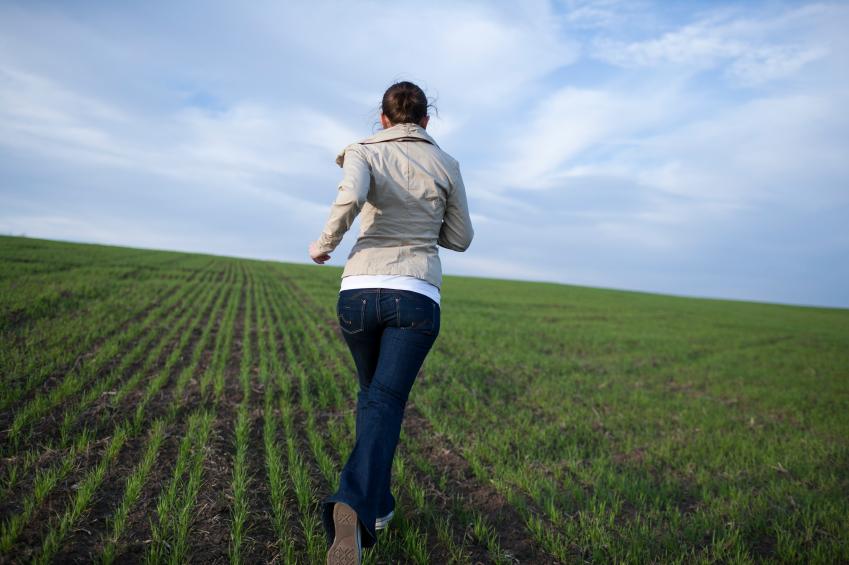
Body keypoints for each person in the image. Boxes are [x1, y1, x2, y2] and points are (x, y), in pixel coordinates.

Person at [308, 80, 474, 565]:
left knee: (372, 399)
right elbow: (460, 238)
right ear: (426, 120)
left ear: (382, 119)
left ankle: (377, 507)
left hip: (359, 292)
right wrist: (427, 223)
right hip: (416, 295)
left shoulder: (363, 150)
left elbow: (351, 196)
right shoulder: (447, 164)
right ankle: (355, 503)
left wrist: (324, 243)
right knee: (384, 402)